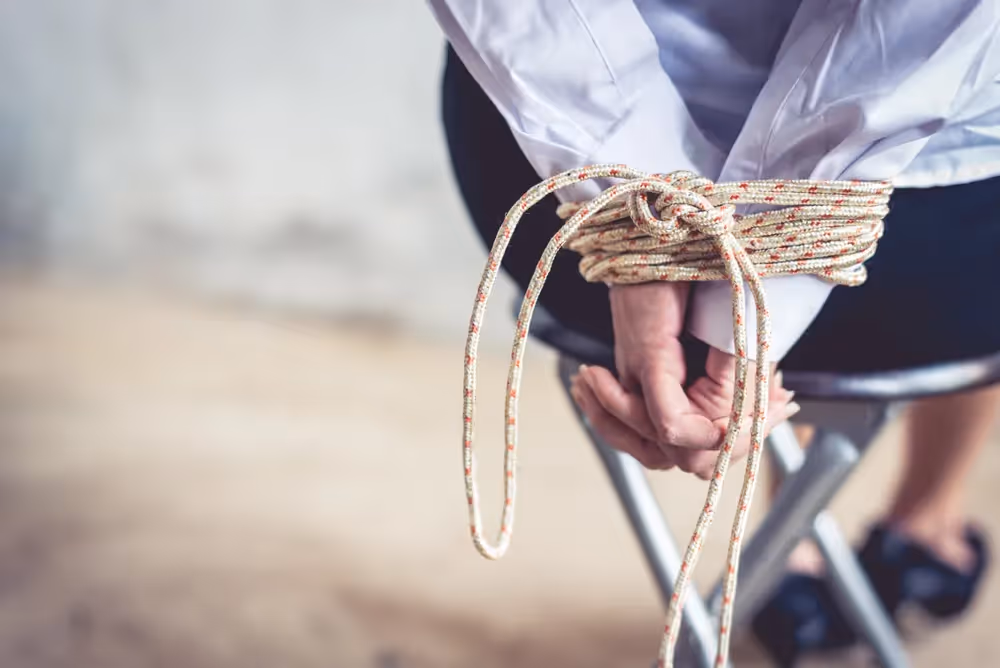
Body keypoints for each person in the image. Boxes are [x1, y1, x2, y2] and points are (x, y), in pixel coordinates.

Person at [428, 1, 1000, 663]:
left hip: (555, 197)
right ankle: (926, 522)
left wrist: (638, 233)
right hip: (932, 231)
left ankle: (795, 555)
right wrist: (742, 307)